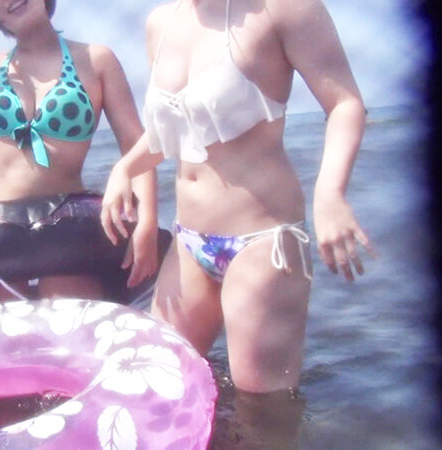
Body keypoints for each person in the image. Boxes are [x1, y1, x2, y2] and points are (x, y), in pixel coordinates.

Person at [101, 0, 373, 395]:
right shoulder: (160, 23)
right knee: (159, 381)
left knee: (262, 408)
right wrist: (125, 168)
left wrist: (330, 193)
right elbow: (172, 129)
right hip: (188, 242)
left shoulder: (283, 9)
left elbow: (345, 103)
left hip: (264, 241)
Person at [0, 0, 162, 313]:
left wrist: (147, 222)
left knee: (69, 318)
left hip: (66, 226)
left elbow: (135, 145)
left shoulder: (96, 60)